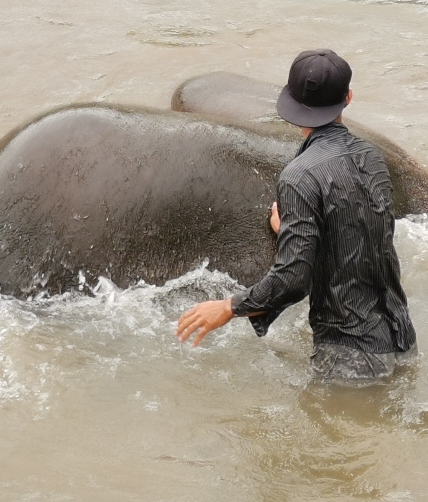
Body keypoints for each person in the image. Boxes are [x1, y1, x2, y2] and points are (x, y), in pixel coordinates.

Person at [175, 49, 415, 379]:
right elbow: (362, 235)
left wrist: (228, 307)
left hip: (349, 356)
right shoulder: (372, 157)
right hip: (400, 336)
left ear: (290, 104)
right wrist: (292, 228)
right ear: (348, 97)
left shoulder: (299, 176)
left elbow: (292, 280)